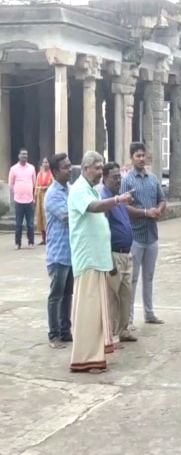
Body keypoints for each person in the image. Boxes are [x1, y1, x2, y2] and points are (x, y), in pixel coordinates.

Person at [68, 151, 133, 373]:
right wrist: (117, 200)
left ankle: (94, 355)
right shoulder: (79, 190)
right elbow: (94, 208)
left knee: (95, 312)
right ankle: (84, 358)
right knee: (88, 312)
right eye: (97, 168)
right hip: (87, 260)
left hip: (96, 260)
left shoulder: (90, 189)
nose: (99, 171)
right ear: (86, 169)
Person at [120, 142, 167, 328]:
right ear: (131, 158)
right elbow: (125, 206)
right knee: (132, 278)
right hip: (136, 236)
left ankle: (149, 313)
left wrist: (159, 209)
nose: (141, 159)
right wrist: (146, 212)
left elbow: (162, 199)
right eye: (137, 156)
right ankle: (128, 319)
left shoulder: (153, 179)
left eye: (143, 156)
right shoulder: (127, 181)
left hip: (152, 235)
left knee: (148, 277)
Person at [101, 162, 137, 343]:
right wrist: (109, 261)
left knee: (125, 295)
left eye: (119, 177)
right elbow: (103, 232)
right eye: (114, 178)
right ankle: (111, 333)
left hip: (126, 254)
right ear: (105, 178)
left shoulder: (120, 198)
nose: (118, 181)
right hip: (114, 255)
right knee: (111, 298)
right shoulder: (105, 201)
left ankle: (123, 330)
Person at [43, 153, 73, 349]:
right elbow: (68, 217)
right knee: (56, 295)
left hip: (71, 253)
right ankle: (54, 334)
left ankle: (65, 330)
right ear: (55, 172)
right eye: (65, 167)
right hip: (58, 253)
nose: (70, 170)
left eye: (70, 166)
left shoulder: (69, 189)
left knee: (68, 294)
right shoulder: (53, 194)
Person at [9, 148, 36, 249]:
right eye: (23, 154)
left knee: (30, 224)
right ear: (19, 156)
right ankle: (18, 243)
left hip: (29, 200)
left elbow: (34, 183)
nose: (25, 156)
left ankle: (31, 242)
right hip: (18, 200)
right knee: (18, 224)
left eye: (26, 154)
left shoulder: (32, 168)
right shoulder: (13, 169)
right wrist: (17, 192)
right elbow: (11, 184)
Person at [35, 157, 53, 245]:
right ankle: (43, 238)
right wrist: (35, 197)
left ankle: (49, 237)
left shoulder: (52, 174)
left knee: (47, 217)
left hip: (47, 196)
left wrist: (46, 188)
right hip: (40, 197)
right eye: (44, 162)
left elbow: (53, 186)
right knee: (41, 217)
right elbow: (36, 185)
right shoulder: (39, 174)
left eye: (47, 162)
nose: (45, 164)